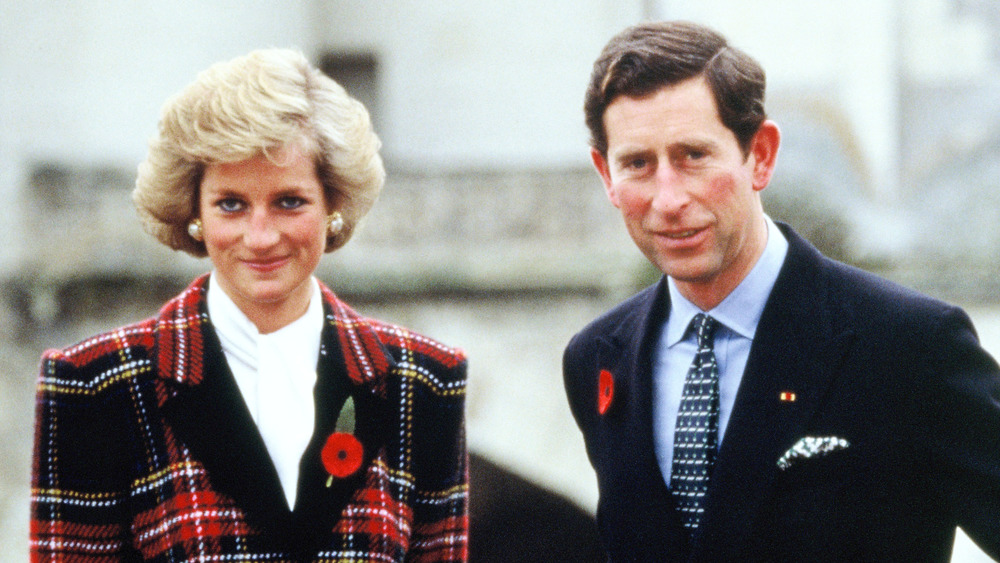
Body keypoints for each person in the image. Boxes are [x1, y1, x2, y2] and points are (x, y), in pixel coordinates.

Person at [562, 20, 1000, 562]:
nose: (668, 198)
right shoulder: (595, 361)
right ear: (605, 174)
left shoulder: (910, 346)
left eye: (693, 156)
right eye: (638, 164)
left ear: (761, 155)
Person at [30, 49, 468, 562]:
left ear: (333, 206)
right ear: (194, 212)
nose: (260, 237)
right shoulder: (96, 385)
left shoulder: (424, 382)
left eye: (289, 201)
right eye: (231, 204)